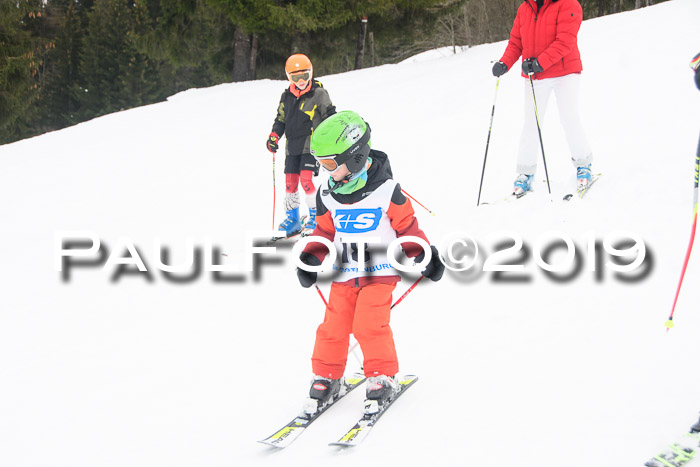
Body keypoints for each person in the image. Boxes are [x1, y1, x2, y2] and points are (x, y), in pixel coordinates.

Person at [295, 110, 444, 414]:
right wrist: (312, 256)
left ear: (355, 158)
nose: (325, 172)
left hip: (380, 273)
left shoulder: (386, 191)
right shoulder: (328, 193)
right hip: (344, 273)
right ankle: (327, 375)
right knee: (332, 327)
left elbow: (407, 228)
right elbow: (324, 229)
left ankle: (381, 375)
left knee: (368, 324)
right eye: (321, 164)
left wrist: (423, 255)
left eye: (330, 164)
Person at [492, 0, 593, 197]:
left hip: (565, 72)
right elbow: (516, 42)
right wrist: (505, 63)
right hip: (536, 75)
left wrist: (540, 63)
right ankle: (526, 172)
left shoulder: (569, 4)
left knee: (568, 117)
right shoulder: (525, 8)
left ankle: (583, 164)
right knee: (531, 123)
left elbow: (566, 41)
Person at [266, 53, 336, 237]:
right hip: (292, 147)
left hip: (311, 145)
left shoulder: (318, 93)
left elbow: (330, 115)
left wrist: (333, 134)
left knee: (306, 180)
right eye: (295, 77)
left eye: (304, 75)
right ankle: (293, 219)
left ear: (310, 73)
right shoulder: (286, 96)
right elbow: (280, 119)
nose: (301, 81)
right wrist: (274, 136)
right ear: (289, 77)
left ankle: (315, 217)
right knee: (290, 183)